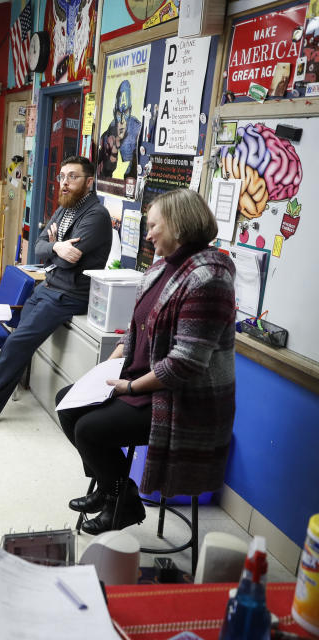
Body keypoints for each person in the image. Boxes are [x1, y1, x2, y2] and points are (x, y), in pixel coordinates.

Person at [56, 189, 235, 534]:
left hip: (180, 400)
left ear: (180, 226)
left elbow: (186, 363)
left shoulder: (208, 279)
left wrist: (131, 385)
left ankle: (121, 501)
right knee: (67, 403)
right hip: (141, 380)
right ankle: (114, 491)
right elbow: (137, 327)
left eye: (155, 226)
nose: (148, 234)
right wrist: (109, 365)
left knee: (89, 430)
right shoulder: (162, 267)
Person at [0, 156, 112, 424]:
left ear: (88, 182)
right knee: (18, 343)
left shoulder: (96, 216)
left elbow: (68, 259)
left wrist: (56, 250)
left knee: (18, 341)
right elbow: (39, 247)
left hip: (70, 295)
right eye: (62, 176)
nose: (64, 182)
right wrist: (56, 247)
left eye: (72, 177)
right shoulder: (65, 209)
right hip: (49, 286)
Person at [97, 80, 141, 182]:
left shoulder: (137, 129)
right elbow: (105, 172)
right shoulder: (107, 135)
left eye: (125, 113)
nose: (122, 120)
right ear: (114, 113)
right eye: (118, 114)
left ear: (130, 112)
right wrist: (114, 150)